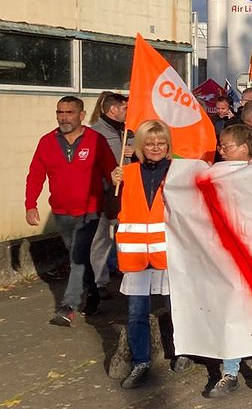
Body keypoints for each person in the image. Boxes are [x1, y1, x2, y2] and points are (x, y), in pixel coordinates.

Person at [26, 96, 118, 326]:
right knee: (79, 257)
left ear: (81, 115)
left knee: (77, 257)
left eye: (69, 112)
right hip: (61, 211)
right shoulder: (46, 142)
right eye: (60, 112)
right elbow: (35, 174)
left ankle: (68, 306)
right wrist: (30, 204)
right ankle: (94, 295)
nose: (64, 117)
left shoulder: (96, 140)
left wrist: (118, 199)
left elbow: (111, 172)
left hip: (90, 211)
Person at [205, 123, 252, 398]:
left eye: (226, 146)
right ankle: (230, 371)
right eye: (220, 146)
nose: (220, 150)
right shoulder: (214, 173)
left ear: (244, 149)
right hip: (227, 255)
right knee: (231, 309)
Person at [110, 120, 177, 389]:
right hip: (136, 255)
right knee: (137, 312)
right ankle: (141, 361)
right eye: (149, 143)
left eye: (161, 142)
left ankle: (181, 351)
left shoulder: (176, 172)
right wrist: (111, 184)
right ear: (139, 145)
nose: (156, 147)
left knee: (177, 309)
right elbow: (109, 209)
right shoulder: (125, 173)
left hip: (168, 253)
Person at [88, 92, 130, 289]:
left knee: (126, 233)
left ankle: (125, 269)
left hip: (127, 191)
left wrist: (136, 150)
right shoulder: (95, 133)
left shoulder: (129, 130)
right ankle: (100, 281)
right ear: (113, 110)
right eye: (125, 108)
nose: (128, 112)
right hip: (104, 192)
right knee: (101, 237)